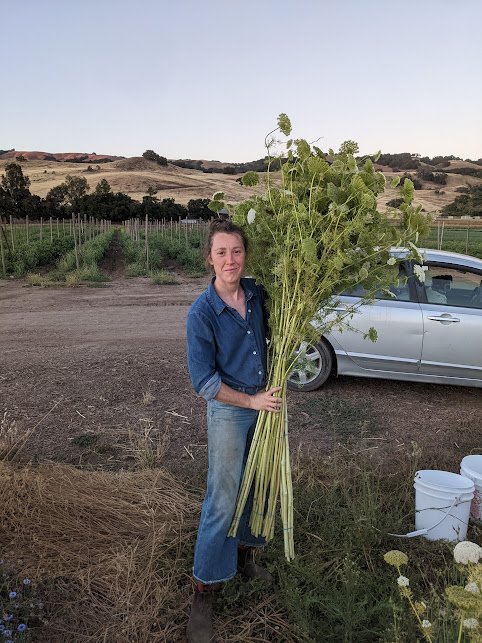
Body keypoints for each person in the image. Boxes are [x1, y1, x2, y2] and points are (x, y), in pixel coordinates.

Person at [186, 218, 282, 643]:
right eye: (221, 252)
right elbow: (204, 383)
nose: (230, 260)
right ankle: (204, 589)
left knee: (260, 485)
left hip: (267, 403)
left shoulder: (259, 293)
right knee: (223, 497)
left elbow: (276, 336)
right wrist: (251, 401)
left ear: (246, 255)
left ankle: (245, 558)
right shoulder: (202, 313)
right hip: (231, 409)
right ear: (209, 258)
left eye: (237, 251)